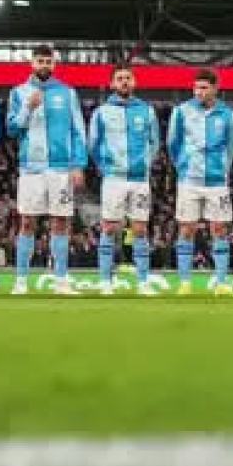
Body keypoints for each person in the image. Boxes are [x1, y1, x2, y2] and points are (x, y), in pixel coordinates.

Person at [6, 44, 87, 296]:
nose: (44, 65)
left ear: (54, 64)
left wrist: (78, 164)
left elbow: (78, 131)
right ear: (32, 63)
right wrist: (27, 108)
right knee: (27, 222)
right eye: (39, 61)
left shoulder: (67, 93)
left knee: (60, 223)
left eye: (47, 61)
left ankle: (61, 280)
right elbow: (11, 130)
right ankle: (20, 280)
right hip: (31, 168)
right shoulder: (19, 93)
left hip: (61, 169)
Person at [88, 64, 160, 296]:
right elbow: (94, 144)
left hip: (139, 178)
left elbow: (154, 143)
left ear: (135, 82)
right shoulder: (101, 112)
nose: (124, 82)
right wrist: (105, 167)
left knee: (140, 229)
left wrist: (145, 164)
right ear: (112, 84)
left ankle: (143, 281)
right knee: (109, 228)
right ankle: (105, 281)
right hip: (114, 178)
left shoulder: (147, 111)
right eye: (120, 78)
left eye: (128, 78)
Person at [167, 69, 233, 295]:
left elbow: (232, 146)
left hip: (217, 181)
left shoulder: (228, 115)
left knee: (219, 229)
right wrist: (183, 166)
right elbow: (173, 143)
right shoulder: (181, 111)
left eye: (204, 87)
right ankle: (185, 282)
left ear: (215, 89)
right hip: (189, 179)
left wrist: (223, 168)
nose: (199, 92)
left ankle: (220, 282)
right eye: (196, 87)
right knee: (186, 229)